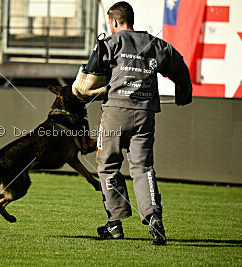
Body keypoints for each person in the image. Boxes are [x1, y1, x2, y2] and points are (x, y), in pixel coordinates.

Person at [72, 1, 192, 245]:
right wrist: (183, 93)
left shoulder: (110, 43)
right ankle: (153, 216)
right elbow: (179, 66)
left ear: (114, 22)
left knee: (107, 166)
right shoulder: (154, 43)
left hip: (115, 113)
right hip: (145, 114)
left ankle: (115, 223)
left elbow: (89, 78)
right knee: (143, 168)